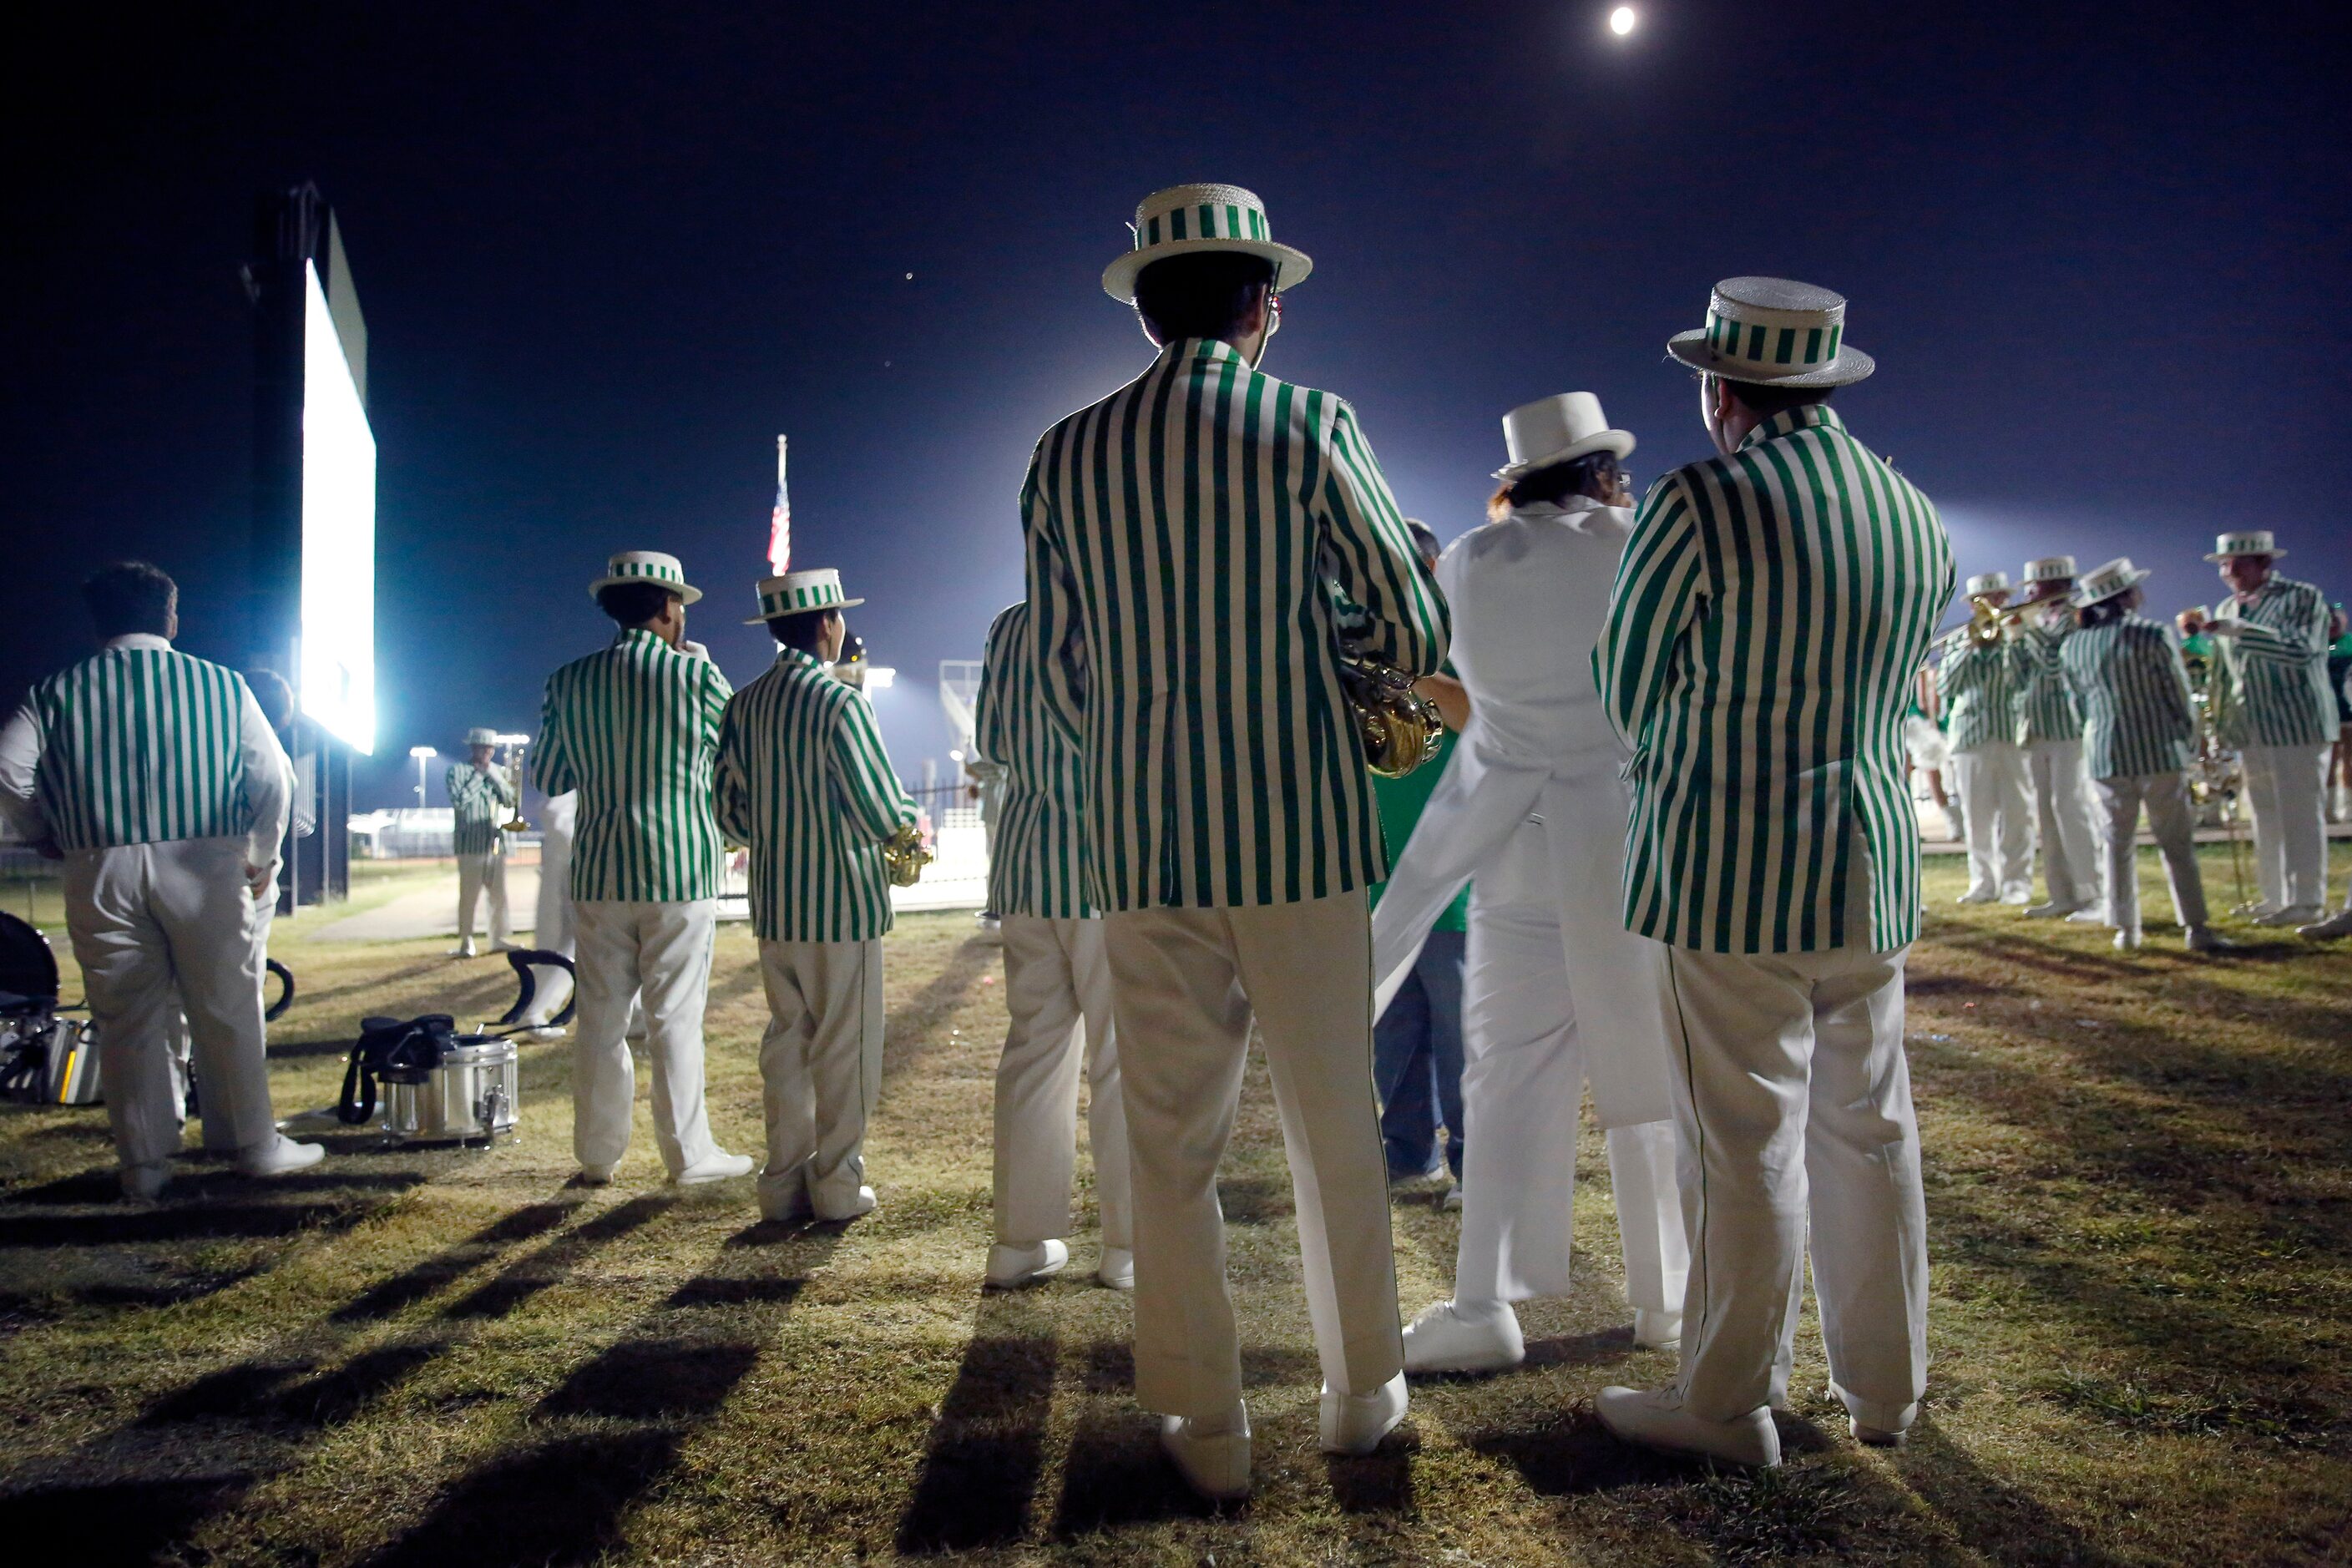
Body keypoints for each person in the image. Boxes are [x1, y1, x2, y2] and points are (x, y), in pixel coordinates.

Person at [1022, 183, 1447, 1500]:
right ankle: (1361, 1389)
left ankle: (1206, 1426)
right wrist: (1340, 664)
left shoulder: (1064, 450)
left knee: (1168, 1143)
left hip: (1145, 847)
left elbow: (1061, 673)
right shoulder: (1309, 421)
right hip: (1302, 840)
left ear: (1147, 308)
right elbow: (1409, 623)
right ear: (1263, 307)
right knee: (1337, 1122)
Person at [1591, 279, 1951, 1468]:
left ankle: (1728, 1398)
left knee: (1741, 1143)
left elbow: (1627, 690)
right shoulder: (1912, 510)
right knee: (1872, 1131)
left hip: (1731, 868)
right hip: (1872, 862)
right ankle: (1886, 1388)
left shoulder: (1704, 498)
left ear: (1721, 388)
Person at [1368, 392, 1687, 1377]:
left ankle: (1483, 1305)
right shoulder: (1638, 543)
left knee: (1506, 1076)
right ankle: (1668, 1301)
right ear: (1599, 471)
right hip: (1628, 842)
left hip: (1511, 844)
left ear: (1515, 481)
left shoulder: (1468, 557)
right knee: (1651, 1076)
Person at [0, 562, 322, 1200]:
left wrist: (40, 832)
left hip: (100, 866)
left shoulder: (55, 691)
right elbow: (274, 780)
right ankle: (252, 1144)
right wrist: (257, 853)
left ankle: (144, 1164)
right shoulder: (222, 685)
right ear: (170, 616)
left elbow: (9, 771)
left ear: (98, 623)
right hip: (205, 864)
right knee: (227, 1005)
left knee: (127, 1017)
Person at [535, 549, 751, 1187]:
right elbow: (735, 764)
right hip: (680, 867)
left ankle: (598, 1155)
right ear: (667, 607)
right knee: (674, 1018)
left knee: (600, 1018)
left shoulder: (568, 681)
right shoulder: (698, 679)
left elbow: (550, 776)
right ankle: (689, 1154)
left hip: (601, 868)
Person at [715, 569, 915, 1223]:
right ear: (828, 624)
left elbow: (730, 817)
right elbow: (880, 804)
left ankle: (781, 1182)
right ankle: (835, 1184)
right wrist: (906, 825)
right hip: (842, 903)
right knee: (843, 1049)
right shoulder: (842, 704)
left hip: (775, 902)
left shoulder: (742, 705)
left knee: (786, 1044)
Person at [971, 599, 1131, 1288]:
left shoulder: (1006, 624)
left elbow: (993, 742)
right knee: (1124, 1062)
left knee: (1033, 1055)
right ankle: (1129, 1244)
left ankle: (1019, 1241)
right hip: (1107, 866)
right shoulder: (1123, 612)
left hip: (1027, 861)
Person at [1365, 520, 1469, 1205]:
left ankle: (1474, 1162)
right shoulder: (1355, 644)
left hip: (1455, 876)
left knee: (1464, 1034)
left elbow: (1479, 717)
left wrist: (1414, 672)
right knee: (1392, 1031)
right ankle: (1408, 1155)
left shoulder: (1464, 637)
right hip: (1378, 877)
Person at [2061, 559, 2224, 953]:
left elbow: (2075, 707)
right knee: (2176, 844)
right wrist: (2190, 740)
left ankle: (2126, 929)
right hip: (2157, 751)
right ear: (2128, 596)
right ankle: (2195, 927)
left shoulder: (2073, 644)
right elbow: (2178, 694)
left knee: (2116, 845)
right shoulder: (2151, 634)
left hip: (2105, 753)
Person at [2201, 531, 2336, 927]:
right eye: (2224, 565)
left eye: (2237, 564)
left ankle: (2307, 899)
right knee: (2264, 814)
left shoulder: (2301, 596)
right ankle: (2274, 896)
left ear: (2263, 563)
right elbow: (2224, 676)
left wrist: (2243, 632)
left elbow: (2302, 650)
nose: (2228, 572)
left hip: (2297, 723)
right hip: (2253, 728)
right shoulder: (2229, 606)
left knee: (2299, 813)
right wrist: (2219, 726)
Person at [2011, 556, 2102, 918]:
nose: (2030, 593)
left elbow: (2053, 663)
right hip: (2036, 727)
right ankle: (2061, 893)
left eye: (2036, 587)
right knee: (2046, 815)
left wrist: (2027, 631)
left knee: (2073, 810)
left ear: (2059, 587)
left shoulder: (2077, 616)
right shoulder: (2037, 623)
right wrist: (2013, 641)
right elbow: (2016, 678)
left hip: (2068, 727)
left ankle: (2094, 894)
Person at [1940, 571, 2034, 904]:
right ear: (1973, 606)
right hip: (1969, 736)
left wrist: (2009, 637)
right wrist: (1970, 646)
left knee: (2017, 814)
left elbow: (2023, 679)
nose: (1994, 604)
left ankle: (2016, 883)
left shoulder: (2019, 638)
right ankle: (1983, 882)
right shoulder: (1958, 641)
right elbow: (1946, 687)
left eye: (1998, 598)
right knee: (1976, 817)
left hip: (2011, 732)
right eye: (1986, 600)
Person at [446, 726, 516, 959]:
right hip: (470, 845)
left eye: (489, 748)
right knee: (469, 895)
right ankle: (466, 941)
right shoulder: (458, 771)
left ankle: (498, 939)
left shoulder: (500, 772)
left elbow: (510, 800)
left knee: (498, 895)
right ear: (472, 748)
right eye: (480, 747)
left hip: (496, 842)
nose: (485, 752)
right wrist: (479, 776)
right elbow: (460, 801)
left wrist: (493, 775)